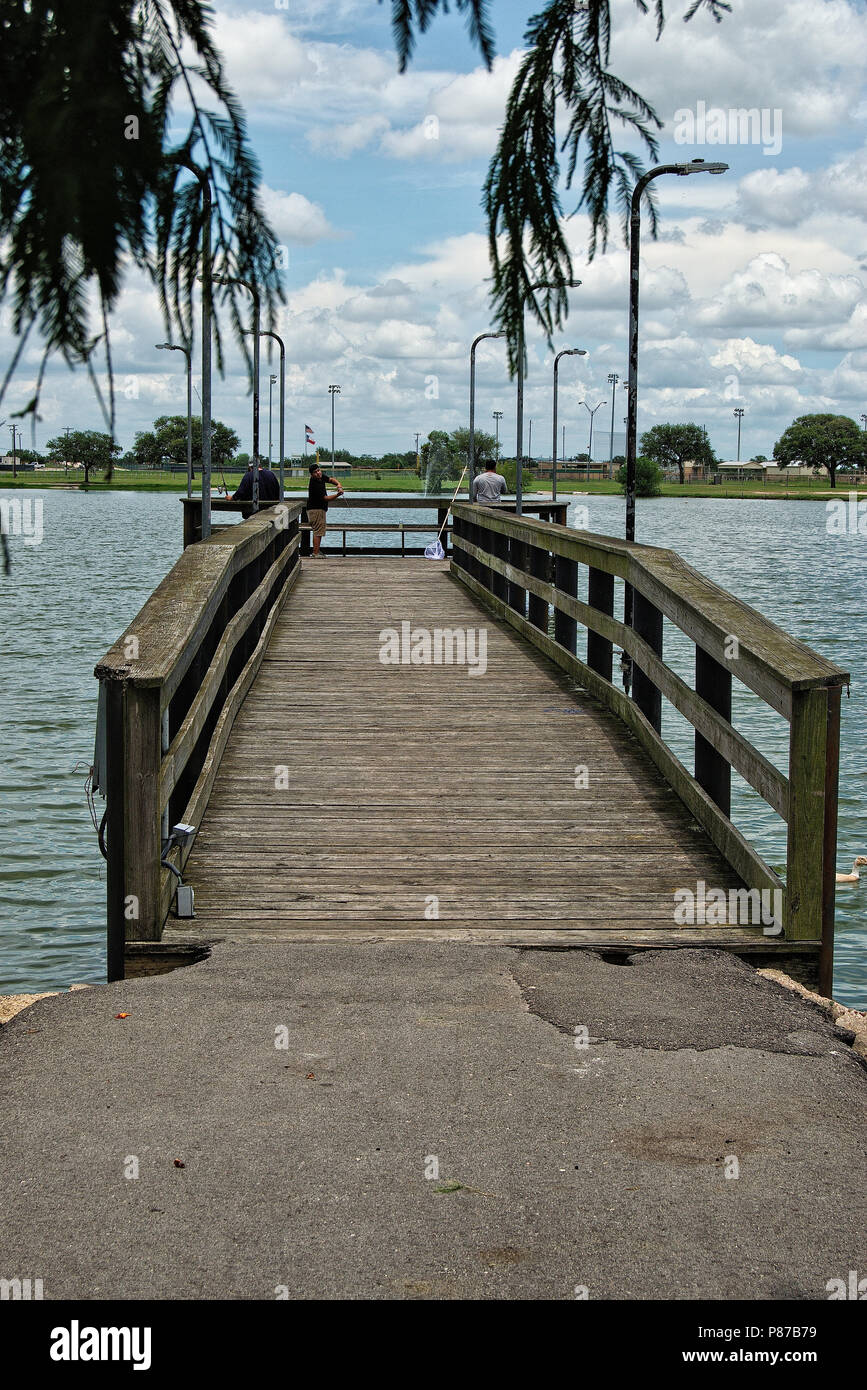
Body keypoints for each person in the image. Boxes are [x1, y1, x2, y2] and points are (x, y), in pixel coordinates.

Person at [306, 462, 344, 556]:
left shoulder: (321, 477)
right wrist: (337, 495)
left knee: (319, 531)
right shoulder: (315, 484)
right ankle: (315, 553)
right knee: (318, 531)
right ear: (312, 474)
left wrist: (338, 485)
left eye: (319, 470)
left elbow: (330, 480)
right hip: (315, 510)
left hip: (319, 509)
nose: (318, 473)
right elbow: (325, 498)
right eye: (315, 472)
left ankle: (317, 551)